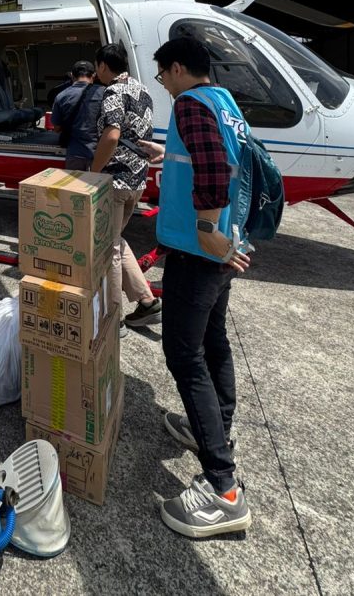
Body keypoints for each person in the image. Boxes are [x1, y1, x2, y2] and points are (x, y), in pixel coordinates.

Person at [138, 35, 252, 538]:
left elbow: (210, 170)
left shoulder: (189, 103)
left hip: (199, 251)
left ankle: (223, 488)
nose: (163, 84)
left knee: (184, 355)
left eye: (163, 75)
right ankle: (215, 429)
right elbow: (227, 161)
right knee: (213, 340)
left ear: (179, 68)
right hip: (224, 247)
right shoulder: (224, 102)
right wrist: (165, 153)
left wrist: (208, 232)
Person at [89, 43, 161, 335]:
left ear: (104, 66)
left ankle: (113, 318)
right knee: (115, 240)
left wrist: (93, 172)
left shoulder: (113, 92)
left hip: (115, 180)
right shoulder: (142, 90)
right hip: (138, 180)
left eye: (98, 67)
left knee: (110, 250)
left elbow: (112, 135)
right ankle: (146, 302)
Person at [50, 60, 104, 170]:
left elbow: (56, 128)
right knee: (98, 186)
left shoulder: (61, 96)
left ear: (72, 75)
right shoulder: (104, 93)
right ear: (93, 75)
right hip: (99, 154)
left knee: (74, 186)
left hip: (75, 154)